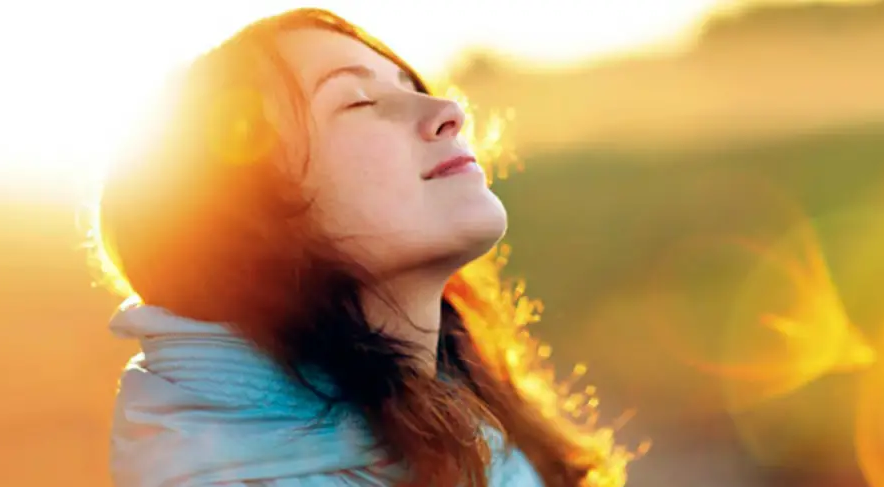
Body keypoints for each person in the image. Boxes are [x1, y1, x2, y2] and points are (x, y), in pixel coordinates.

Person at [92, 7, 629, 487]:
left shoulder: (466, 403)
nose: (447, 109)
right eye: (359, 100)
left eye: (410, 85)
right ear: (243, 217)